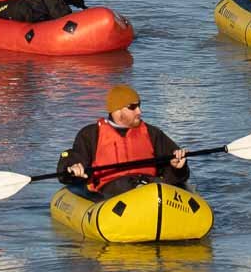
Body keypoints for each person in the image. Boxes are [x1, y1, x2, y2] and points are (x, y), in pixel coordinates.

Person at [57, 84, 190, 199]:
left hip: (150, 187)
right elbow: (73, 162)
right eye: (132, 107)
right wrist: (72, 168)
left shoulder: (152, 133)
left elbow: (176, 177)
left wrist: (177, 168)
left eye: (139, 106)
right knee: (123, 186)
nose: (139, 111)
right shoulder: (91, 134)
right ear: (117, 110)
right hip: (112, 190)